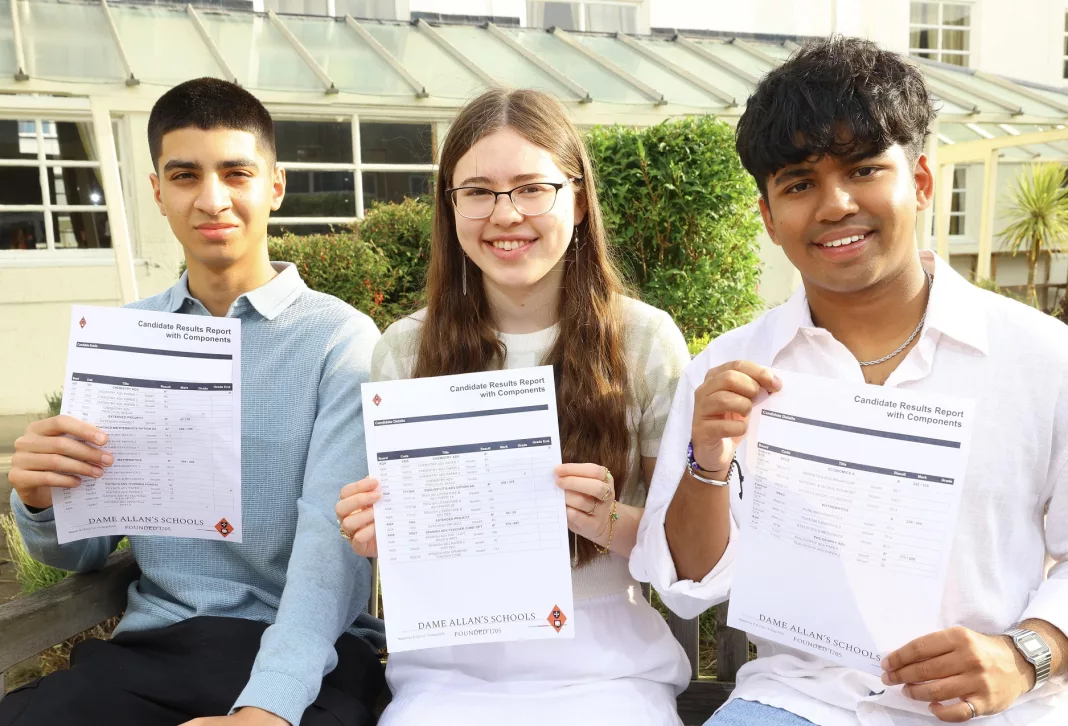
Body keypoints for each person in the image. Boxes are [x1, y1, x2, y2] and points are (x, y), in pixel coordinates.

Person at [630, 36, 1068, 726]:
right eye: (800, 184)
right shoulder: (730, 369)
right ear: (770, 219)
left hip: (989, 710)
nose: (834, 205)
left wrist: (1028, 654)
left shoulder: (1043, 360)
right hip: (796, 700)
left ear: (921, 182)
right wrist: (707, 464)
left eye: (863, 170)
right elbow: (686, 588)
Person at [3, 78, 384, 726]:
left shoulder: (338, 342)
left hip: (309, 658)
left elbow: (332, 546)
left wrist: (266, 709)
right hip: (153, 650)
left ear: (275, 185)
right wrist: (40, 502)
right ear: (157, 189)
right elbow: (80, 554)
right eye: (185, 175)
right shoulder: (122, 340)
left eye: (236, 173)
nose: (213, 200)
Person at [334, 88, 692, 725]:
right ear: (450, 208)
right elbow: (416, 541)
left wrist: (607, 521)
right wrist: (377, 532)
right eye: (477, 191)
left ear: (577, 200)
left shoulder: (643, 340)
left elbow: (687, 553)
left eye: (532, 187)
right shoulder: (405, 349)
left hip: (606, 666)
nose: (505, 214)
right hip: (448, 672)